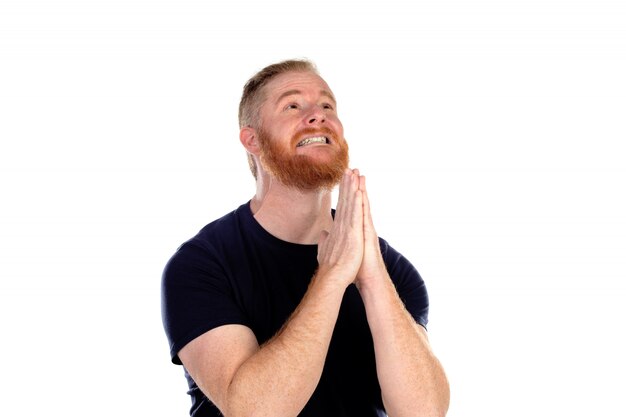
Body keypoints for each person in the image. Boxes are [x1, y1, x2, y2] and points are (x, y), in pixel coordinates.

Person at [161, 59, 450, 417]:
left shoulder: (388, 267)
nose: (318, 115)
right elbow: (255, 411)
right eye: (293, 105)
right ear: (252, 139)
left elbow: (424, 412)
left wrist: (372, 280)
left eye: (327, 105)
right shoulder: (202, 264)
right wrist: (332, 276)